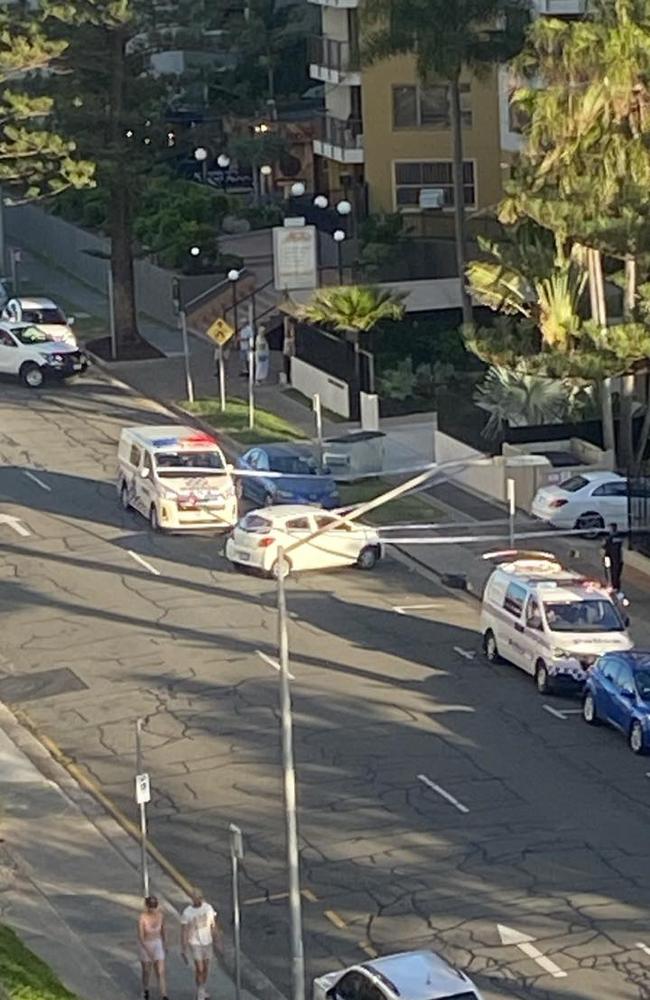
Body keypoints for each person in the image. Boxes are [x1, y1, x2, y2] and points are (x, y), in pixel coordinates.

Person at [181, 888, 222, 1000]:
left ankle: (202, 988)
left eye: (200, 897)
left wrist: (218, 940)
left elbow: (213, 924)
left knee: (206, 968)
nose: (198, 900)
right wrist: (184, 948)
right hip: (195, 943)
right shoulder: (187, 912)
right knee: (199, 968)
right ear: (192, 899)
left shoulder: (208, 908)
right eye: (196, 898)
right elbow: (184, 930)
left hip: (207, 942)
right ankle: (200, 992)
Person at [138, 895, 169, 1000]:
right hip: (146, 944)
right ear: (147, 906)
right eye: (151, 906)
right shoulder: (142, 918)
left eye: (154, 906)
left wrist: (165, 944)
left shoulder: (161, 916)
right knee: (146, 970)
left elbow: (163, 931)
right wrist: (147, 950)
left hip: (157, 943)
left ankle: (164, 994)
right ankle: (145, 989)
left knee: (161, 971)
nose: (153, 908)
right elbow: (141, 936)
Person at [603, 522, 625, 592]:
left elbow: (606, 546)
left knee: (614, 573)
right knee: (611, 572)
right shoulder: (614, 537)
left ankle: (614, 587)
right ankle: (613, 586)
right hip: (611, 558)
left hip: (614, 559)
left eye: (610, 528)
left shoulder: (613, 538)